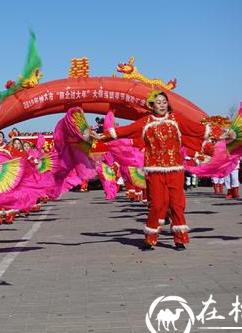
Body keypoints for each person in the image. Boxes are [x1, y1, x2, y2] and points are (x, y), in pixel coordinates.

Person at [92, 91, 234, 250]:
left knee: (177, 204)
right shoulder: (145, 122)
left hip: (175, 169)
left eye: (164, 102)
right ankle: (150, 238)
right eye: (158, 102)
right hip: (154, 170)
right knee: (157, 205)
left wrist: (223, 134)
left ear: (167, 104)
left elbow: (197, 129)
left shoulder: (176, 120)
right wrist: (101, 137)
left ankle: (179, 238)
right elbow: (124, 130)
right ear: (152, 105)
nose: (161, 104)